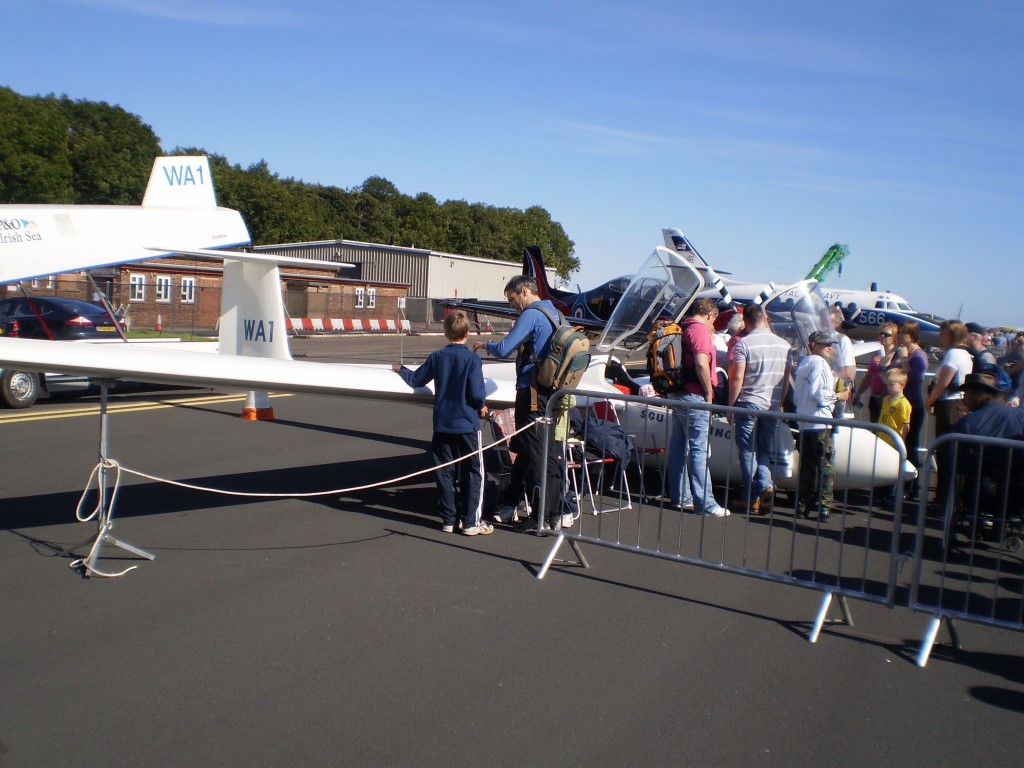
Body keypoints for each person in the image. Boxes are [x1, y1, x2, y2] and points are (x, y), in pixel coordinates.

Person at [472, 275, 564, 531]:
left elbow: (503, 349)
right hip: (550, 393)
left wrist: (485, 344)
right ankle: (545, 509)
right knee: (535, 450)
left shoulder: (532, 315)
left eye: (512, 300)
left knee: (536, 454)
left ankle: (542, 517)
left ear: (524, 292)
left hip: (531, 393)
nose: (513, 306)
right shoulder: (553, 312)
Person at [393, 311, 492, 535]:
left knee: (444, 472)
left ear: (446, 333)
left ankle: (448, 519)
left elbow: (417, 379)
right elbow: (477, 393)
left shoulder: (437, 357)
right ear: (467, 333)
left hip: (443, 424)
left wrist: (401, 369)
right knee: (473, 472)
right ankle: (470, 522)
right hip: (466, 424)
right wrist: (482, 405)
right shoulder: (472, 359)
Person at [664, 297, 731, 517]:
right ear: (710, 315)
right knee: (699, 449)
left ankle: (681, 497)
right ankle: (707, 503)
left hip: (679, 393)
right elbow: (702, 363)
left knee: (679, 445)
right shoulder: (700, 331)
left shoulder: (683, 328)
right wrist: (709, 392)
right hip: (694, 396)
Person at [728, 303, 791, 514]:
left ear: (746, 322)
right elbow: (786, 379)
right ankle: (761, 490)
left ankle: (757, 491)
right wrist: (780, 403)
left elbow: (737, 377)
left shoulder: (744, 344)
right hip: (771, 405)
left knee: (747, 450)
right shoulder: (785, 346)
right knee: (763, 450)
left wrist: (730, 406)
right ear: (765, 318)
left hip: (748, 401)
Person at [793, 330, 850, 522]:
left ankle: (802, 506)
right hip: (820, 423)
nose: (830, 347)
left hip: (804, 423)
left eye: (831, 344)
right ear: (814, 345)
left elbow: (797, 396)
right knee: (825, 469)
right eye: (826, 344)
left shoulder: (804, 364)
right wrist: (838, 396)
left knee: (807, 468)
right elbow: (818, 394)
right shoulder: (819, 363)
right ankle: (825, 507)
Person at [925, 319, 972, 506]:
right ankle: (948, 497)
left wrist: (929, 401)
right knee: (949, 452)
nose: (939, 336)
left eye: (943, 333)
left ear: (951, 335)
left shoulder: (953, 354)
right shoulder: (965, 354)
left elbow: (943, 383)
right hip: (958, 404)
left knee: (945, 452)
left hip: (949, 405)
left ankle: (943, 498)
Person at [895, 320, 930, 499]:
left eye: (903, 333)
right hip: (905, 402)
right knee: (905, 445)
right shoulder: (912, 354)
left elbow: (914, 380)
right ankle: (906, 485)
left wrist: (903, 361)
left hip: (913, 404)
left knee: (911, 445)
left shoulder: (917, 356)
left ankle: (913, 487)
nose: (900, 336)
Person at [852, 321, 900, 423]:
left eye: (886, 334)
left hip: (888, 398)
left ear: (894, 337)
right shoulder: (876, 352)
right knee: (874, 427)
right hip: (874, 397)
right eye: (881, 333)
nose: (882, 336)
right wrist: (858, 394)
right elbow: (869, 376)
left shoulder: (897, 355)